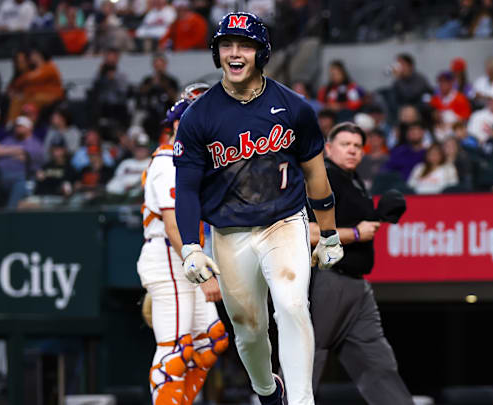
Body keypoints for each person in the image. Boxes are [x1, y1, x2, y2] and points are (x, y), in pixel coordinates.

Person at [173, 13, 343, 405]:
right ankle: (268, 390)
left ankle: (301, 400)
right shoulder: (199, 115)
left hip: (284, 222)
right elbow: (186, 189)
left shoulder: (294, 107)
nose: (235, 53)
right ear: (217, 53)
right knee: (248, 330)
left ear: (260, 52)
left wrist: (329, 233)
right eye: (226, 45)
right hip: (229, 234)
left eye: (244, 45)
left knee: (292, 303)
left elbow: (316, 175)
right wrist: (190, 246)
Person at [309, 122, 414, 404]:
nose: (352, 150)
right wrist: (355, 234)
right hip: (327, 279)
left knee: (377, 361)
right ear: (329, 148)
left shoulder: (353, 181)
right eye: (345, 144)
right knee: (307, 358)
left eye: (357, 146)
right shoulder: (323, 179)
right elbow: (306, 232)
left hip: (356, 286)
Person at [140, 97, 228, 405]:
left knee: (211, 342)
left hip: (183, 260)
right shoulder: (166, 164)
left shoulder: (190, 162)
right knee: (175, 352)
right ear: (177, 125)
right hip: (169, 258)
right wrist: (204, 276)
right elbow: (173, 226)